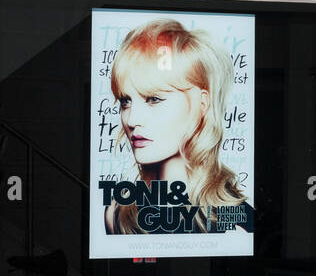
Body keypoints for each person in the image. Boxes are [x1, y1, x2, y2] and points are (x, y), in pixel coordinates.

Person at [104, 17, 251, 236]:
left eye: (153, 99)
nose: (132, 119)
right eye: (126, 101)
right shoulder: (119, 213)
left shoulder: (232, 223)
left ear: (203, 103)